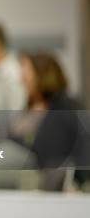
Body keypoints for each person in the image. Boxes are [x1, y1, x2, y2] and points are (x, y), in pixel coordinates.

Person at [19, 53, 90, 190]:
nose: (21, 79)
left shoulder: (66, 107)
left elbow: (83, 145)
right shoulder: (30, 105)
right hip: (33, 177)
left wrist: (79, 180)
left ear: (41, 74)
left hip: (55, 182)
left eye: (26, 73)